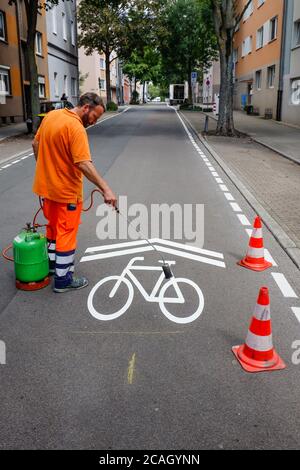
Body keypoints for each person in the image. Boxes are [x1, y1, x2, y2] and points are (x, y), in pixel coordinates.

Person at [32, 92, 117, 293]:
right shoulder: (76, 128)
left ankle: (53, 268)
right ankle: (63, 280)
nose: (94, 122)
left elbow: (35, 143)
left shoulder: (52, 116)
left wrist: (45, 169)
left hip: (47, 189)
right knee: (66, 235)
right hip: (65, 193)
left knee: (52, 230)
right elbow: (83, 163)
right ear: (86, 108)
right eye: (94, 117)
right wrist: (106, 188)